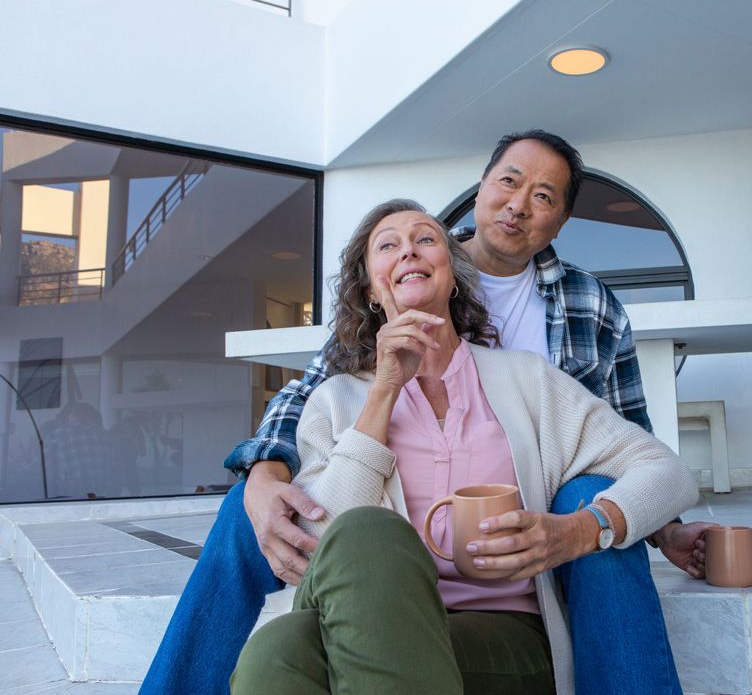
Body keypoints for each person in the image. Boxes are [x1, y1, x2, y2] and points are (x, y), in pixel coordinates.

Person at [140, 131, 709, 695]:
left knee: (592, 501)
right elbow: (309, 399)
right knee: (281, 593)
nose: (518, 203)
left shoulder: (568, 328)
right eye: (509, 181)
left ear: (559, 221)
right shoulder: (350, 382)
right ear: (481, 188)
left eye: (543, 196)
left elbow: (638, 440)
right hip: (381, 563)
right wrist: (264, 472)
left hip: (537, 522)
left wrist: (627, 526)